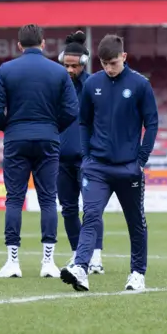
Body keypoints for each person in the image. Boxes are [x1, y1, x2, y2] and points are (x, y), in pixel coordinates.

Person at [60, 34, 159, 292]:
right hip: (97, 167)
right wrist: (87, 155)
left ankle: (137, 273)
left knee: (135, 222)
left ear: (124, 57)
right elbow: (84, 122)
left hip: (129, 168)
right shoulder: (93, 84)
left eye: (113, 63)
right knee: (90, 215)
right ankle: (81, 267)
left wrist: (141, 159)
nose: (109, 68)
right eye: (104, 63)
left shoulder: (140, 85)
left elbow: (152, 123)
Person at [0, 24, 79, 278]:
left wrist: (10, 128)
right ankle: (48, 262)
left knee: (14, 199)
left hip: (16, 139)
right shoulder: (58, 72)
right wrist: (52, 128)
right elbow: (72, 110)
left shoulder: (5, 70)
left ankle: (12, 262)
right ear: (43, 43)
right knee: (48, 199)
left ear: (19, 45)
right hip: (48, 139)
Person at [56, 30, 105, 274]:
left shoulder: (94, 87)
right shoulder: (57, 87)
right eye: (66, 65)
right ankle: (78, 256)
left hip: (89, 159)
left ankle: (96, 257)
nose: (69, 70)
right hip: (61, 159)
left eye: (73, 66)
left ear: (83, 64)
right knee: (68, 209)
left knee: (92, 208)